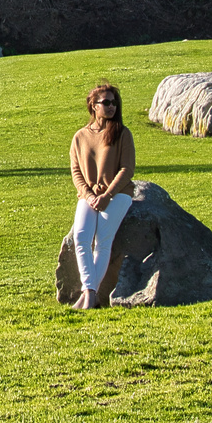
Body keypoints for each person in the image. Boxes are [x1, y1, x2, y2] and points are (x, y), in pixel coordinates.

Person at [69, 81, 135, 309]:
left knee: (102, 241)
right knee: (81, 238)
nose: (111, 107)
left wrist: (107, 195)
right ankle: (90, 292)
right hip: (89, 196)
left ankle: (87, 296)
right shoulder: (79, 137)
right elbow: (76, 172)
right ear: (93, 106)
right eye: (105, 102)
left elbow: (127, 169)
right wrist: (88, 196)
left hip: (117, 195)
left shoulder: (122, 134)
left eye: (114, 103)